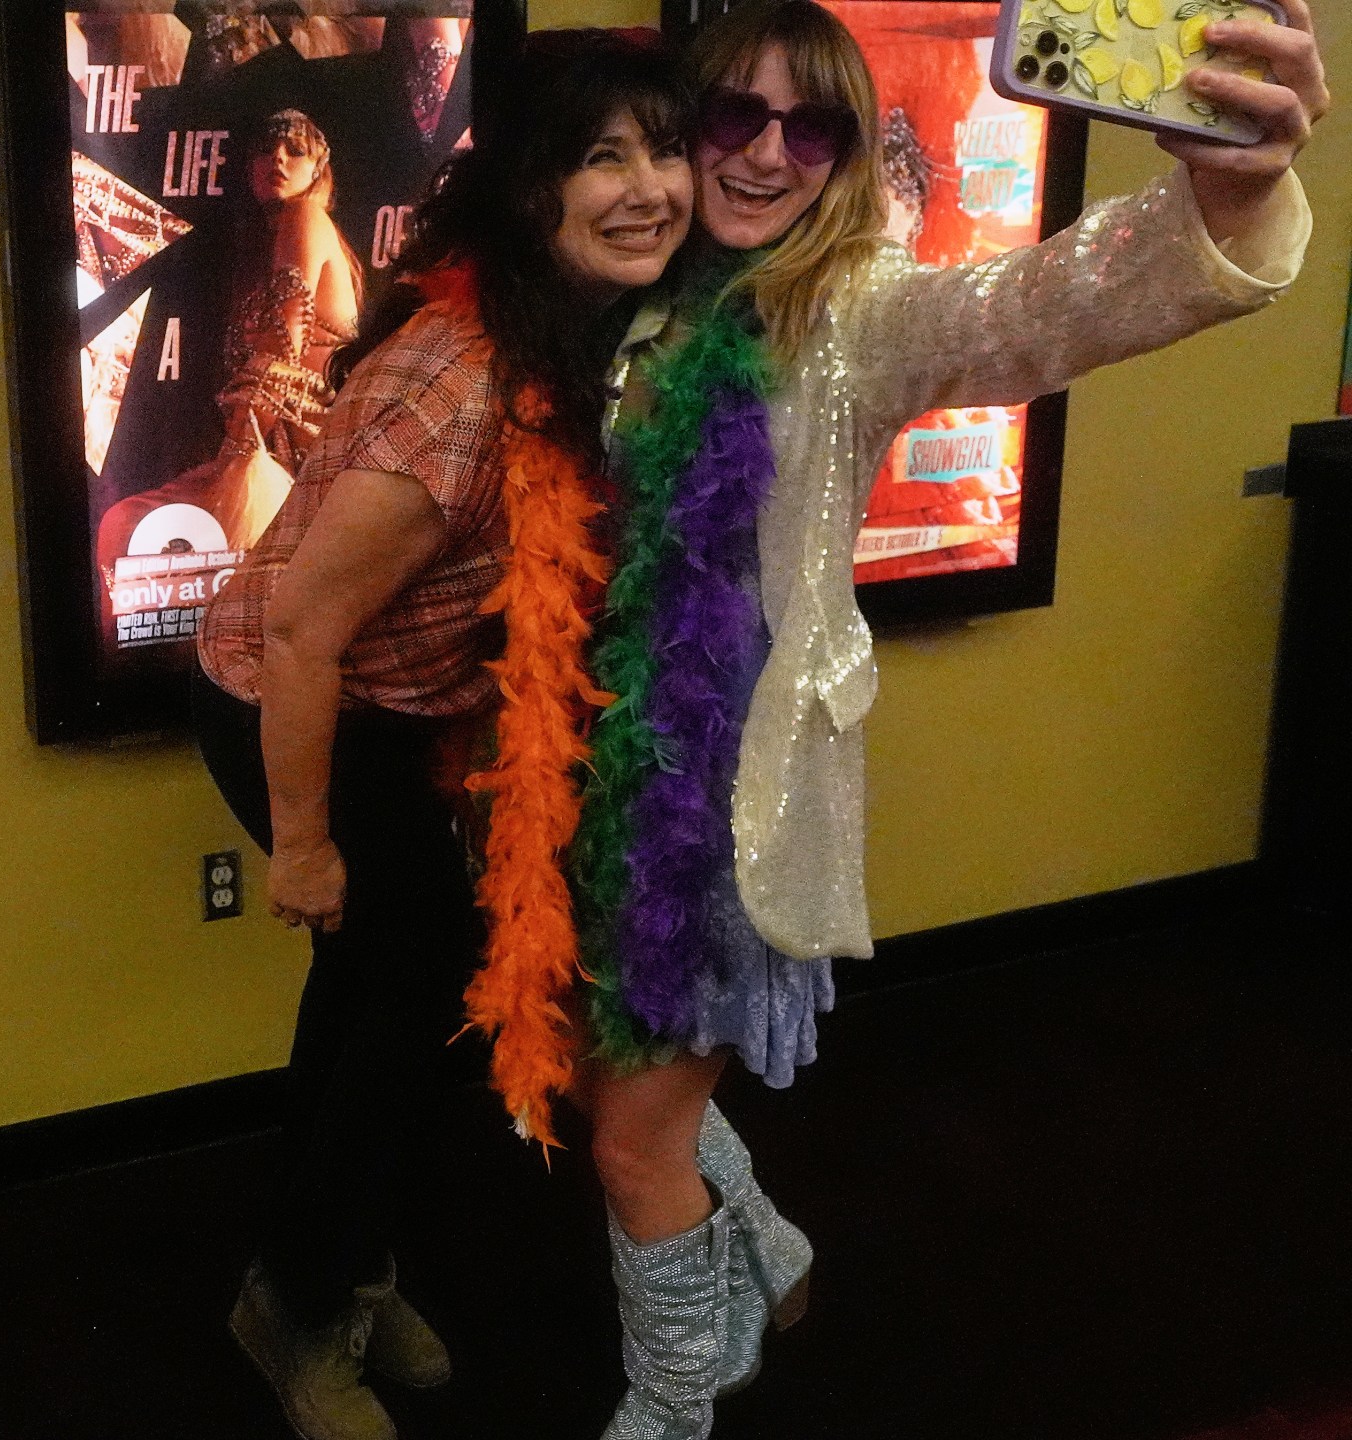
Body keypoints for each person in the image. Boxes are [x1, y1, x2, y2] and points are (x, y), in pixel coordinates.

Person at [546, 3, 1324, 1435]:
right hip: (600, 765)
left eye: (811, 127)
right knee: (608, 1077)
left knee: (628, 1143)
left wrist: (1228, 199)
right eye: (734, 116)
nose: (767, 154)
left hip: (729, 791)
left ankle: (672, 1401)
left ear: (847, 156)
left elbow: (1031, 307)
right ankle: (766, 1250)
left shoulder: (852, 316)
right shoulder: (633, 295)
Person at [192, 31, 695, 1440]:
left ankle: (324, 1271)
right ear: (532, 188)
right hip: (293, 704)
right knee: (402, 1011)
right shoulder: (461, 391)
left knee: (374, 1007)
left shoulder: (588, 330)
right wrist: (302, 846)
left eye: (665, 151)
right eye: (603, 157)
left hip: (387, 705)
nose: (649, 187)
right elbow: (302, 632)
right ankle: (304, 1308)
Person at [97, 108, 367, 574]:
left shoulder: (303, 216)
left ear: (318, 170)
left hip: (298, 455)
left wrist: (240, 448)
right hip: (284, 447)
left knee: (128, 528)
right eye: (265, 149)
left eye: (295, 150)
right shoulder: (266, 242)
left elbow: (282, 347)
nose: (277, 158)